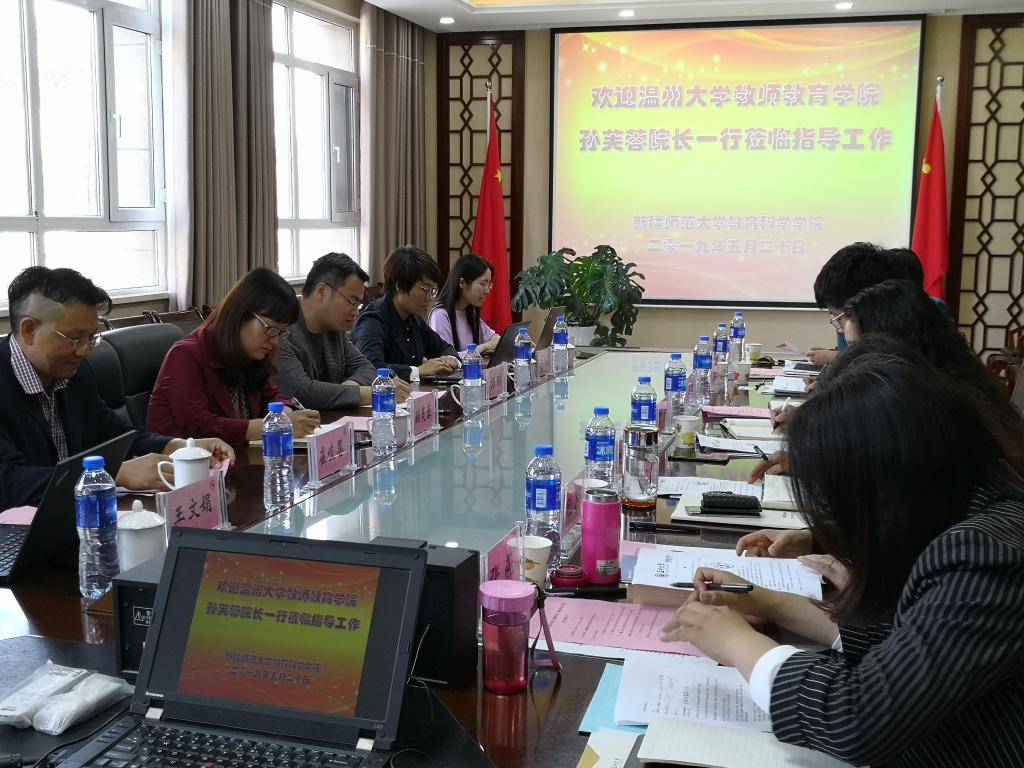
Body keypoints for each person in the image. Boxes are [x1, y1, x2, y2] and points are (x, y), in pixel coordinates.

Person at [661, 345, 1024, 767]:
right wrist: (770, 602)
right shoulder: (967, 510)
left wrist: (737, 643)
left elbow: (859, 718)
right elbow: (912, 646)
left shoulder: (986, 555)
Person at [0, 267, 233, 510]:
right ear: (29, 330)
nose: (84, 350)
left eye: (91, 338)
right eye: (75, 339)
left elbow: (113, 434)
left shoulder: (74, 373)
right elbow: (7, 483)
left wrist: (178, 446)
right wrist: (112, 474)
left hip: (74, 515)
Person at [147, 268, 320, 445]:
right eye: (271, 329)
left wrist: (286, 414)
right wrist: (273, 425)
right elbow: (199, 427)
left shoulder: (249, 353)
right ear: (241, 314)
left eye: (281, 333)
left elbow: (272, 396)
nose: (275, 341)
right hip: (185, 461)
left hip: (237, 455)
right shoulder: (185, 355)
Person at [273, 253, 409, 409]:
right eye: (351, 302)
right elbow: (303, 393)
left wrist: (345, 391)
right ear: (322, 291)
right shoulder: (281, 331)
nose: (356, 312)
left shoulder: (333, 329)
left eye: (358, 304)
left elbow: (367, 369)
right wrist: (375, 392)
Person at [350, 246, 461, 383]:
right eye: (425, 289)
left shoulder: (414, 319)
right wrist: (417, 371)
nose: (430, 298)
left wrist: (451, 359)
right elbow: (370, 367)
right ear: (400, 285)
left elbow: (444, 348)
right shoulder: (372, 320)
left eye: (433, 290)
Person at [427, 253, 500, 355]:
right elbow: (446, 358)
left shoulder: (469, 313)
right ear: (462, 283)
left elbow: (495, 339)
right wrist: (484, 347)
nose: (487, 290)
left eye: (489, 284)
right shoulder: (440, 314)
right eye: (483, 284)